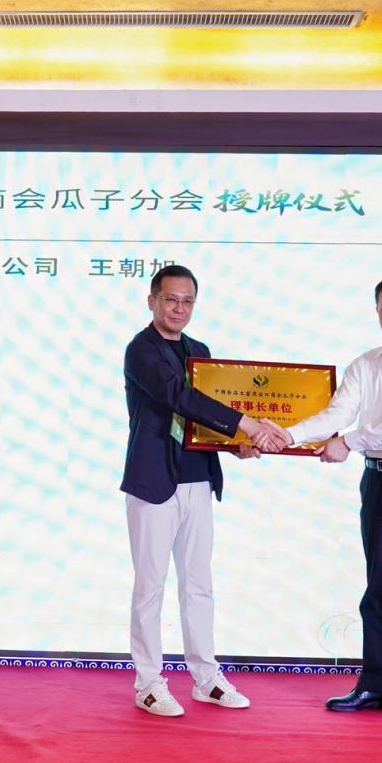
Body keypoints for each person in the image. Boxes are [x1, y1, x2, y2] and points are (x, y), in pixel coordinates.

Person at [256, 273, 382, 730]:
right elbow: (337, 412)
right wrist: (288, 434)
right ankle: (374, 687)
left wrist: (349, 442)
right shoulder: (364, 364)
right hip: (378, 481)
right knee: (379, 588)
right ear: (376, 310)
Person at [121, 264, 269, 717]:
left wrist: (235, 443)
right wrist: (245, 423)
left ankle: (206, 677)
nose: (178, 308)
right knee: (150, 586)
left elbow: (203, 417)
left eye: (187, 301)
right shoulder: (141, 350)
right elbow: (179, 398)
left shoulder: (199, 351)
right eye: (170, 299)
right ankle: (149, 683)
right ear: (152, 301)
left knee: (199, 585)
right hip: (153, 482)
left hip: (197, 479)